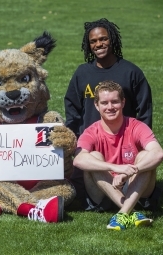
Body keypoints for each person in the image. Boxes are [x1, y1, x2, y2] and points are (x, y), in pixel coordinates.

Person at [64, 18, 153, 204]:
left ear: (112, 39)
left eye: (103, 39)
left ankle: (124, 203)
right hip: (93, 145)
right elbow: (72, 111)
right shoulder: (82, 73)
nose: (99, 44)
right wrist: (77, 144)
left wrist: (140, 143)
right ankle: (123, 205)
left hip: (125, 148)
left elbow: (144, 113)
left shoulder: (131, 72)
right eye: (93, 41)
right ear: (88, 45)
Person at [73, 81, 163, 230]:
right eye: (104, 103)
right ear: (97, 105)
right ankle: (132, 212)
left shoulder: (136, 126)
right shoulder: (91, 131)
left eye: (115, 102)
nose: (110, 107)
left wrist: (130, 171)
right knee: (93, 156)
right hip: (103, 190)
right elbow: (78, 160)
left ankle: (122, 213)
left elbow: (158, 153)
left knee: (145, 156)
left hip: (136, 189)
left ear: (123, 102)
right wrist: (115, 168)